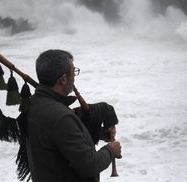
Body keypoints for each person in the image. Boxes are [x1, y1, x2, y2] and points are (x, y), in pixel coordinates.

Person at [26, 49, 121, 182]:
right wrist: (111, 150)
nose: (75, 76)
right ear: (63, 80)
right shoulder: (61, 117)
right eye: (73, 71)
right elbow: (89, 165)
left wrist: (99, 133)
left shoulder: (35, 104)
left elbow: (59, 140)